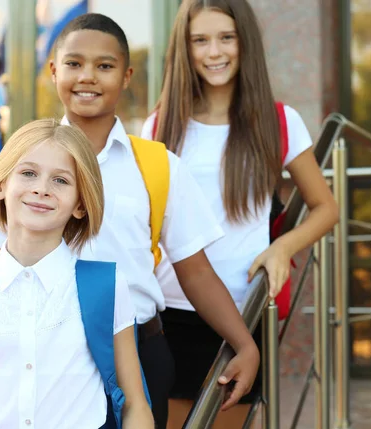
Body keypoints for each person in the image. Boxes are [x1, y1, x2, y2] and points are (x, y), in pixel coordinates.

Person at [0, 13, 260, 429]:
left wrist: (244, 343)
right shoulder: (22, 162)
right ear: (53, 71)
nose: (88, 76)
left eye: (104, 66)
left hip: (139, 353)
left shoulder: (159, 166)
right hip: (43, 356)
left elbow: (194, 272)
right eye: (74, 63)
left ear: (126, 76)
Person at [143, 0, 340, 427]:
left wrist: (282, 247)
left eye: (226, 38)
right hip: (172, 310)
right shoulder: (160, 125)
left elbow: (326, 207)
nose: (214, 52)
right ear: (184, 48)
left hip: (243, 309)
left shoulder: (278, 120)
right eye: (200, 40)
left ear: (244, 42)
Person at [0, 119, 154, 428]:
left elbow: (135, 406)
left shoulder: (107, 288)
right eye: (28, 173)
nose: (41, 188)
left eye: (61, 180)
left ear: (80, 204)